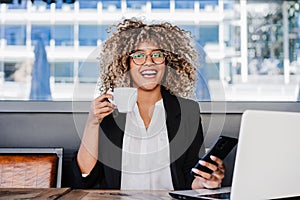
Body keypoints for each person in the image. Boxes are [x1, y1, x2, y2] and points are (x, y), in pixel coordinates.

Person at [71, 18, 225, 190]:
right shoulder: (109, 111)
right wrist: (92, 122)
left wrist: (206, 181)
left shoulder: (188, 111)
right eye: (138, 55)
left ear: (167, 62)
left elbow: (189, 177)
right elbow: (85, 177)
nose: (149, 61)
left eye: (157, 54)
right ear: (125, 63)